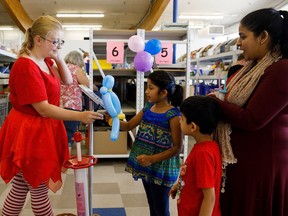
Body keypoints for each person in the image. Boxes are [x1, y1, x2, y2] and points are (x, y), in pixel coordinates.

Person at [0, 15, 103, 216]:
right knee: (38, 185)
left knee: (22, 185)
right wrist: (80, 116)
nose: (58, 45)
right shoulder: (26, 66)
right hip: (29, 131)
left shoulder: (44, 60)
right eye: (54, 41)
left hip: (38, 128)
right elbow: (43, 108)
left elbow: (66, 80)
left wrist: (56, 56)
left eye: (60, 41)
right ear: (38, 40)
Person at [211, 8, 288, 216]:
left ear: (263, 36)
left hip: (261, 164)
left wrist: (213, 103)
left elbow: (252, 119)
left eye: (243, 37)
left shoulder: (281, 70)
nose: (238, 43)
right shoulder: (252, 67)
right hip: (244, 162)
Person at [121, 70, 183, 216]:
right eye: (147, 86)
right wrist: (111, 119)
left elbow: (177, 148)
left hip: (161, 168)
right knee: (152, 205)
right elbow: (129, 125)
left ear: (163, 93)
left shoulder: (173, 115)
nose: (147, 91)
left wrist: (151, 159)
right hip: (146, 165)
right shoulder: (148, 108)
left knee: (161, 209)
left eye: (151, 88)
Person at [169, 96, 222, 216]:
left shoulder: (203, 154)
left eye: (182, 118)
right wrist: (179, 186)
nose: (179, 121)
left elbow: (210, 197)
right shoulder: (208, 146)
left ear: (192, 127)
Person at [60, 50, 89, 154]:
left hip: (58, 107)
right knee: (69, 134)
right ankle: (65, 162)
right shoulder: (76, 69)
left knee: (60, 135)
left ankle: (59, 159)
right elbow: (87, 84)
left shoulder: (60, 67)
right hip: (72, 107)